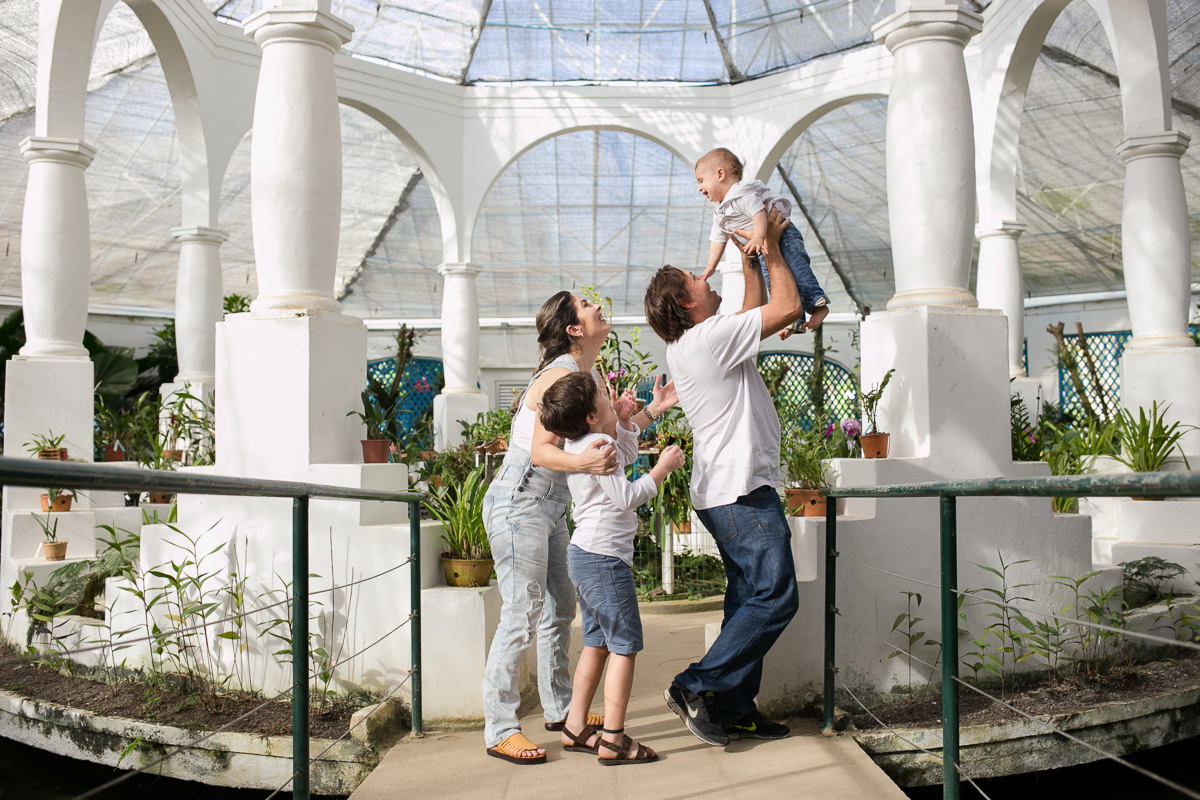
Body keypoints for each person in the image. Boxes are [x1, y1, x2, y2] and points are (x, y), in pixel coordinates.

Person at [482, 290, 679, 765]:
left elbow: (604, 437)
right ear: (573, 328)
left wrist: (650, 412)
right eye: (586, 304)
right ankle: (500, 728)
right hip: (521, 502)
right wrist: (584, 464)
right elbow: (540, 451)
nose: (596, 306)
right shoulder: (561, 374)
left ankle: (561, 712)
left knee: (560, 610)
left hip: (549, 507)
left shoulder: (585, 375)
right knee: (523, 612)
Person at [642, 208, 800, 747]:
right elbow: (786, 308)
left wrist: (748, 262)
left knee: (747, 598)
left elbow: (752, 311)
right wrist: (771, 248)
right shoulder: (708, 339)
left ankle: (732, 708)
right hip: (740, 491)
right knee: (776, 595)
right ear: (687, 303)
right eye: (695, 278)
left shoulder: (697, 341)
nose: (704, 276)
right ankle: (695, 685)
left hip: (726, 490)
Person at [538, 371, 686, 765]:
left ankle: (574, 726)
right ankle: (614, 739)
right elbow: (627, 497)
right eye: (602, 394)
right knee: (624, 645)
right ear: (591, 416)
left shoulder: (582, 444)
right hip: (603, 559)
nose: (609, 394)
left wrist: (622, 420)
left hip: (585, 555)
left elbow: (626, 457)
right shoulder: (597, 444)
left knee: (598, 643)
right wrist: (663, 469)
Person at [695, 147, 828, 338]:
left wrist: (758, 238)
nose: (699, 188)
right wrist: (711, 266)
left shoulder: (741, 193)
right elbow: (717, 239)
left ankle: (817, 303)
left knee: (796, 269)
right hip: (763, 246)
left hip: (782, 236)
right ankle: (794, 320)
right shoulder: (720, 212)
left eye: (701, 180)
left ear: (720, 174)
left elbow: (759, 212)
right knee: (775, 282)